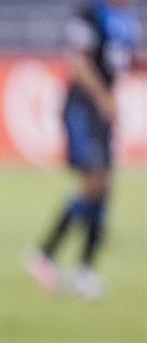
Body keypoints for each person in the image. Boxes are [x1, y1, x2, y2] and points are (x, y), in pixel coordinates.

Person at [28, 0, 142, 300]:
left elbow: (123, 60)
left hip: (103, 113)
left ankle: (84, 270)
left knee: (103, 188)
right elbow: (78, 63)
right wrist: (104, 97)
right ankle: (46, 255)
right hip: (82, 108)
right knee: (94, 184)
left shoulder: (127, 19)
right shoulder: (90, 14)